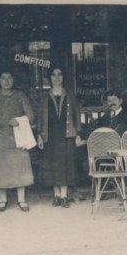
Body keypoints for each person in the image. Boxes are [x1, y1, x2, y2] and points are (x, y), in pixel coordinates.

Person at [0, 71, 35, 213]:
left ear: (14, 80)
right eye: (3, 78)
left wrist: (19, 120)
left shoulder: (20, 96)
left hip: (17, 137)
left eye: (9, 78)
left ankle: (21, 199)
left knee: (20, 165)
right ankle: (2, 200)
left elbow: (31, 116)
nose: (6, 81)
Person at [36, 67, 81, 208]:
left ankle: (64, 195)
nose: (57, 77)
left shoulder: (70, 95)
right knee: (52, 165)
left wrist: (78, 134)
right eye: (53, 75)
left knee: (66, 165)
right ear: (49, 78)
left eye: (59, 74)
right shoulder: (44, 97)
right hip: (50, 136)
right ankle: (56, 195)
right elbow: (39, 117)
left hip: (67, 135)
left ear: (63, 77)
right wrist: (39, 135)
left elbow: (77, 115)